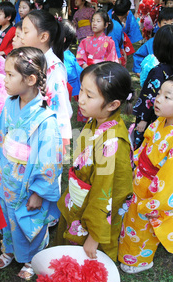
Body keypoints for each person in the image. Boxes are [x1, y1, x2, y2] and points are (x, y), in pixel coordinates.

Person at [0, 47, 63, 280]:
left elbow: (51, 158)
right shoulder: (10, 104)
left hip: (28, 183)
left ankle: (32, 257)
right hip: (7, 176)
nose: (4, 80)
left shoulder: (45, 119)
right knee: (8, 218)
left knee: (28, 221)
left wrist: (39, 191)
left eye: (10, 75)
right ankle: (9, 248)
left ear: (30, 79)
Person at [119, 74, 173, 273]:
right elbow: (146, 147)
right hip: (141, 179)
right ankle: (126, 250)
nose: (158, 99)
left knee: (143, 226)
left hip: (155, 191)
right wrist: (135, 165)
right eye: (159, 94)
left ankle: (139, 260)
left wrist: (153, 203)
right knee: (131, 220)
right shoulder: (159, 122)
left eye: (167, 97)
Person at [56, 61, 134, 262]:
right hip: (79, 199)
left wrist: (94, 235)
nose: (80, 99)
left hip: (94, 208)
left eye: (89, 96)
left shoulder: (112, 142)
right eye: (82, 90)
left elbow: (107, 193)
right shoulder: (95, 120)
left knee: (83, 262)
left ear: (112, 104)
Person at [22, 10, 73, 155]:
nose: (21, 37)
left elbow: (61, 109)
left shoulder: (54, 67)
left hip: (46, 138)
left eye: (26, 32)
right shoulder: (29, 60)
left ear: (43, 36)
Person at [132, 25, 173, 150]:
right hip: (169, 115)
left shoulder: (158, 71)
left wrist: (143, 119)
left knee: (144, 146)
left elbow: (149, 96)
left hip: (152, 117)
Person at [133, 7, 173, 78]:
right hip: (153, 76)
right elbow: (139, 55)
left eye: (172, 23)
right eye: (165, 23)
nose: (168, 26)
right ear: (159, 24)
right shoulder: (152, 42)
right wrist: (139, 71)